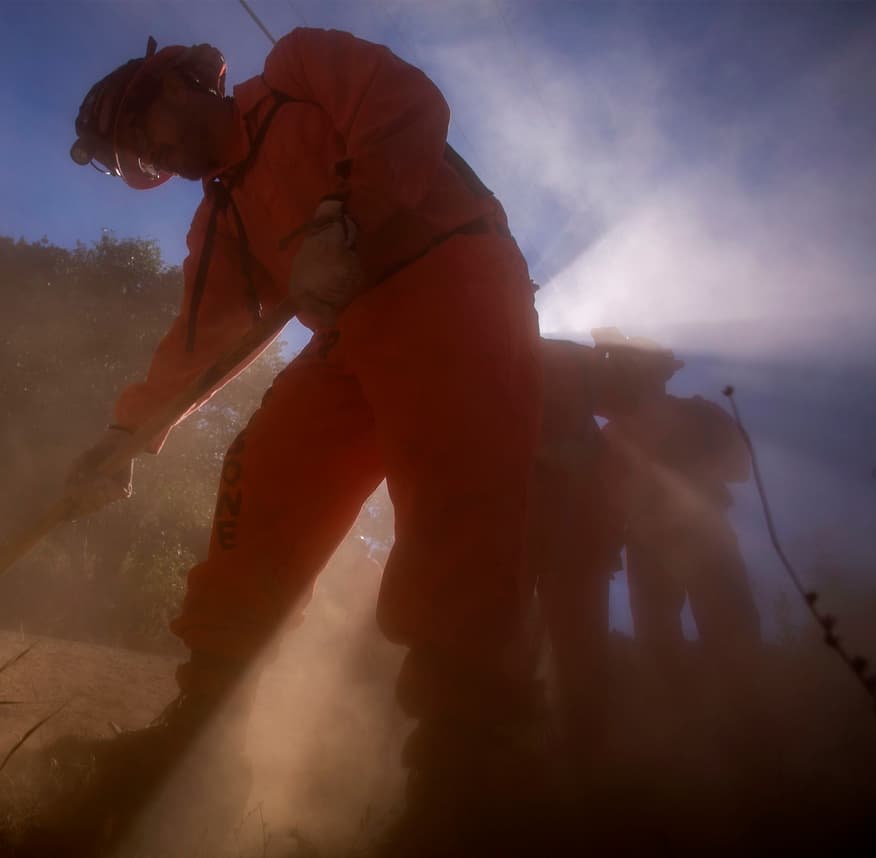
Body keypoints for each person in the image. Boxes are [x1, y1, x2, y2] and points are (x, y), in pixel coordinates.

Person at [60, 28, 543, 853]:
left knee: (456, 513)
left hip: (454, 276)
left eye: (144, 132)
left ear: (181, 82)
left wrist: (346, 218)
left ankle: (467, 774)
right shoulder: (222, 217)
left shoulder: (299, 71)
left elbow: (402, 104)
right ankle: (202, 737)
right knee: (267, 473)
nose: (152, 157)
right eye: (132, 155)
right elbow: (198, 339)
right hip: (351, 331)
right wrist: (122, 437)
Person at [592, 329, 759, 684]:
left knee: (724, 640)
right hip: (661, 542)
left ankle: (737, 719)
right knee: (666, 647)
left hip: (691, 538)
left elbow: (739, 467)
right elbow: (740, 467)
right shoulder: (617, 434)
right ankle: (728, 719)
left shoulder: (619, 433)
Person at [526, 339, 623, 767]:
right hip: (535, 531)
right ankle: (578, 756)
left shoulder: (562, 359)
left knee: (577, 653)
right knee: (569, 653)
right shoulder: (558, 360)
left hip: (568, 534)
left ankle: (583, 757)